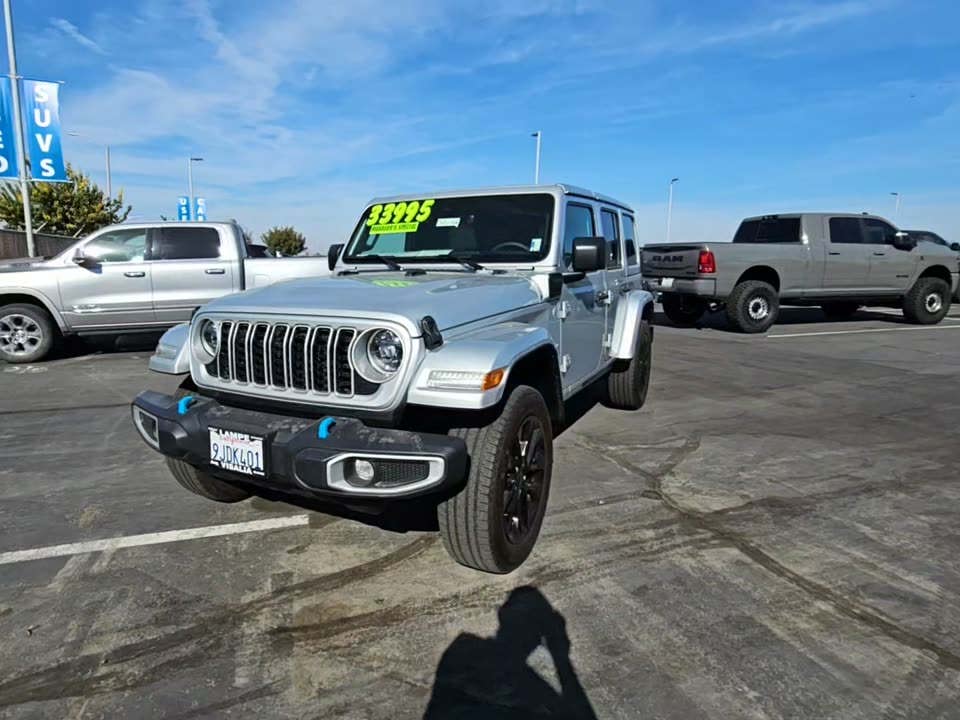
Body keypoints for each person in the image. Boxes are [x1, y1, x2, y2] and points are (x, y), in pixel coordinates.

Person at [423, 586, 598, 719]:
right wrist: (561, 658)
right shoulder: (527, 688)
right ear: (540, 639)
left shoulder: (460, 652)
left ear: (501, 615)